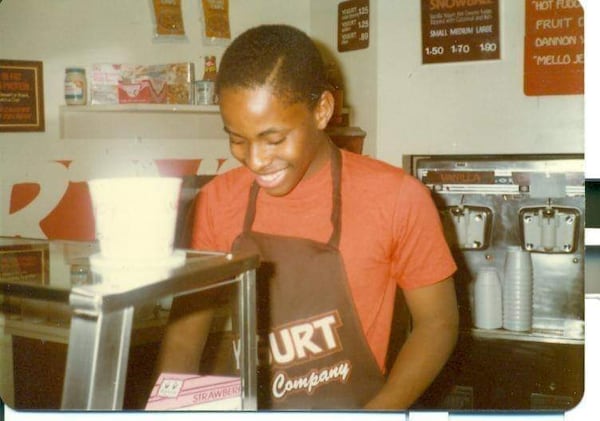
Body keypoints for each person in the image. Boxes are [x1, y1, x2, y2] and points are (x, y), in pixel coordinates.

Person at [154, 24, 458, 410]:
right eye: (237, 138)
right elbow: (183, 338)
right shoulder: (216, 202)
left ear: (322, 110)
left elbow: (438, 323)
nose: (256, 160)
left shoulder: (397, 198)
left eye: (274, 139)